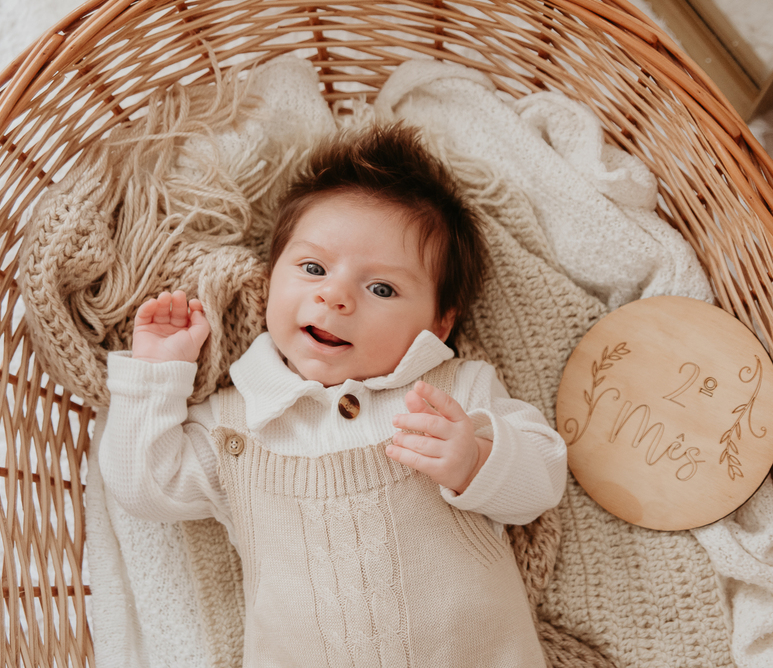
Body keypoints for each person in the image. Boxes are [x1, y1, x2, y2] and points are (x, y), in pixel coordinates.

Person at [100, 121, 566, 666]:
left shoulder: (454, 392)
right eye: (313, 267)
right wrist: (157, 373)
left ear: (440, 323)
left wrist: (476, 460)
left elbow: (544, 474)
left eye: (382, 288)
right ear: (271, 278)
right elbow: (144, 486)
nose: (335, 295)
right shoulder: (238, 425)